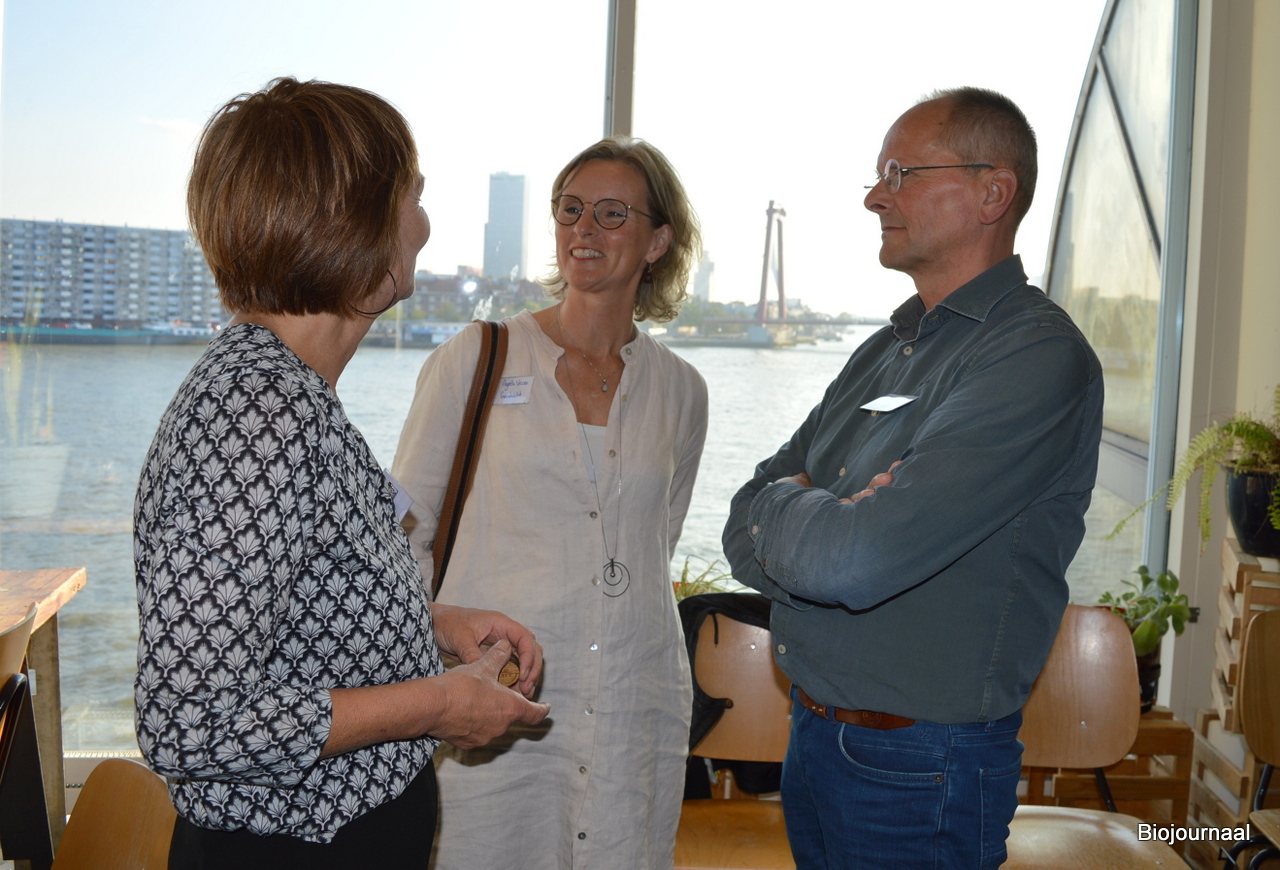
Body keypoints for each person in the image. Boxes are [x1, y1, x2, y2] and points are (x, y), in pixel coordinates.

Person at [132, 77, 549, 869]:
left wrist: (428, 625)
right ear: (354, 221)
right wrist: (438, 703)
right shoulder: (259, 412)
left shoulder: (286, 394)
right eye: (412, 195)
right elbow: (189, 723)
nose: (423, 222)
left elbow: (283, 615)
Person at [722, 87, 1104, 870]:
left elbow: (854, 561)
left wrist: (796, 504)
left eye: (900, 173)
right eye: (878, 175)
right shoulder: (885, 350)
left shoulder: (1032, 356)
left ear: (992, 193)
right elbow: (740, 520)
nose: (875, 196)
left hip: (922, 764)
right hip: (814, 736)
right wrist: (810, 509)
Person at [391, 136, 707, 869]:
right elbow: (401, 540)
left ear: (658, 241)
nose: (583, 229)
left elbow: (651, 546)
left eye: (612, 213)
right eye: (570, 209)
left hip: (634, 704)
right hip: (496, 702)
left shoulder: (682, 391)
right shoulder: (476, 358)